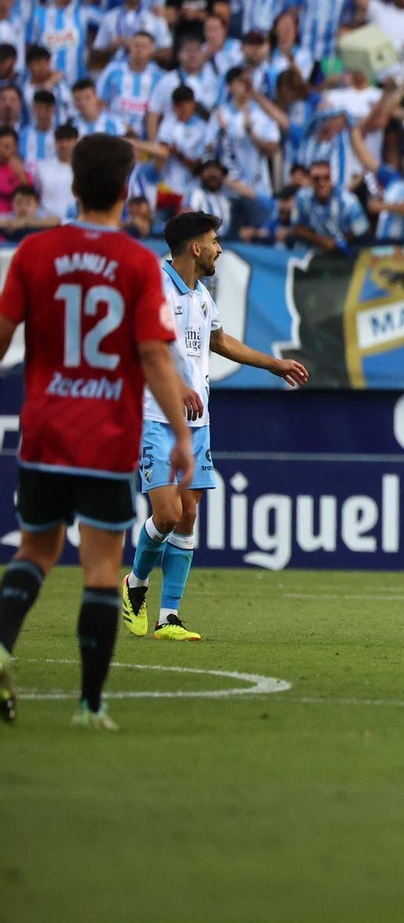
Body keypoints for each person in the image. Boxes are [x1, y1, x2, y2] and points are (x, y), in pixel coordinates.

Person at [0, 134, 194, 728]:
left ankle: (2, 646)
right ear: (126, 188)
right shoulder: (137, 263)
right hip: (107, 436)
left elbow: (2, 336)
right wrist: (182, 436)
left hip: (45, 431)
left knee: (35, 552)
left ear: (75, 184)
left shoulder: (34, 251)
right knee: (102, 570)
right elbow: (155, 355)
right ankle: (89, 705)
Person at [121, 213, 308, 643]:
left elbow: (220, 341)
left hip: (197, 422)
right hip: (155, 417)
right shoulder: (155, 288)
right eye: (214, 240)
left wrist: (274, 364)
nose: (220, 248)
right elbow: (142, 348)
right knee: (166, 515)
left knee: (188, 515)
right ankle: (135, 583)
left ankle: (169, 617)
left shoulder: (202, 296)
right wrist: (177, 385)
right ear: (195, 247)